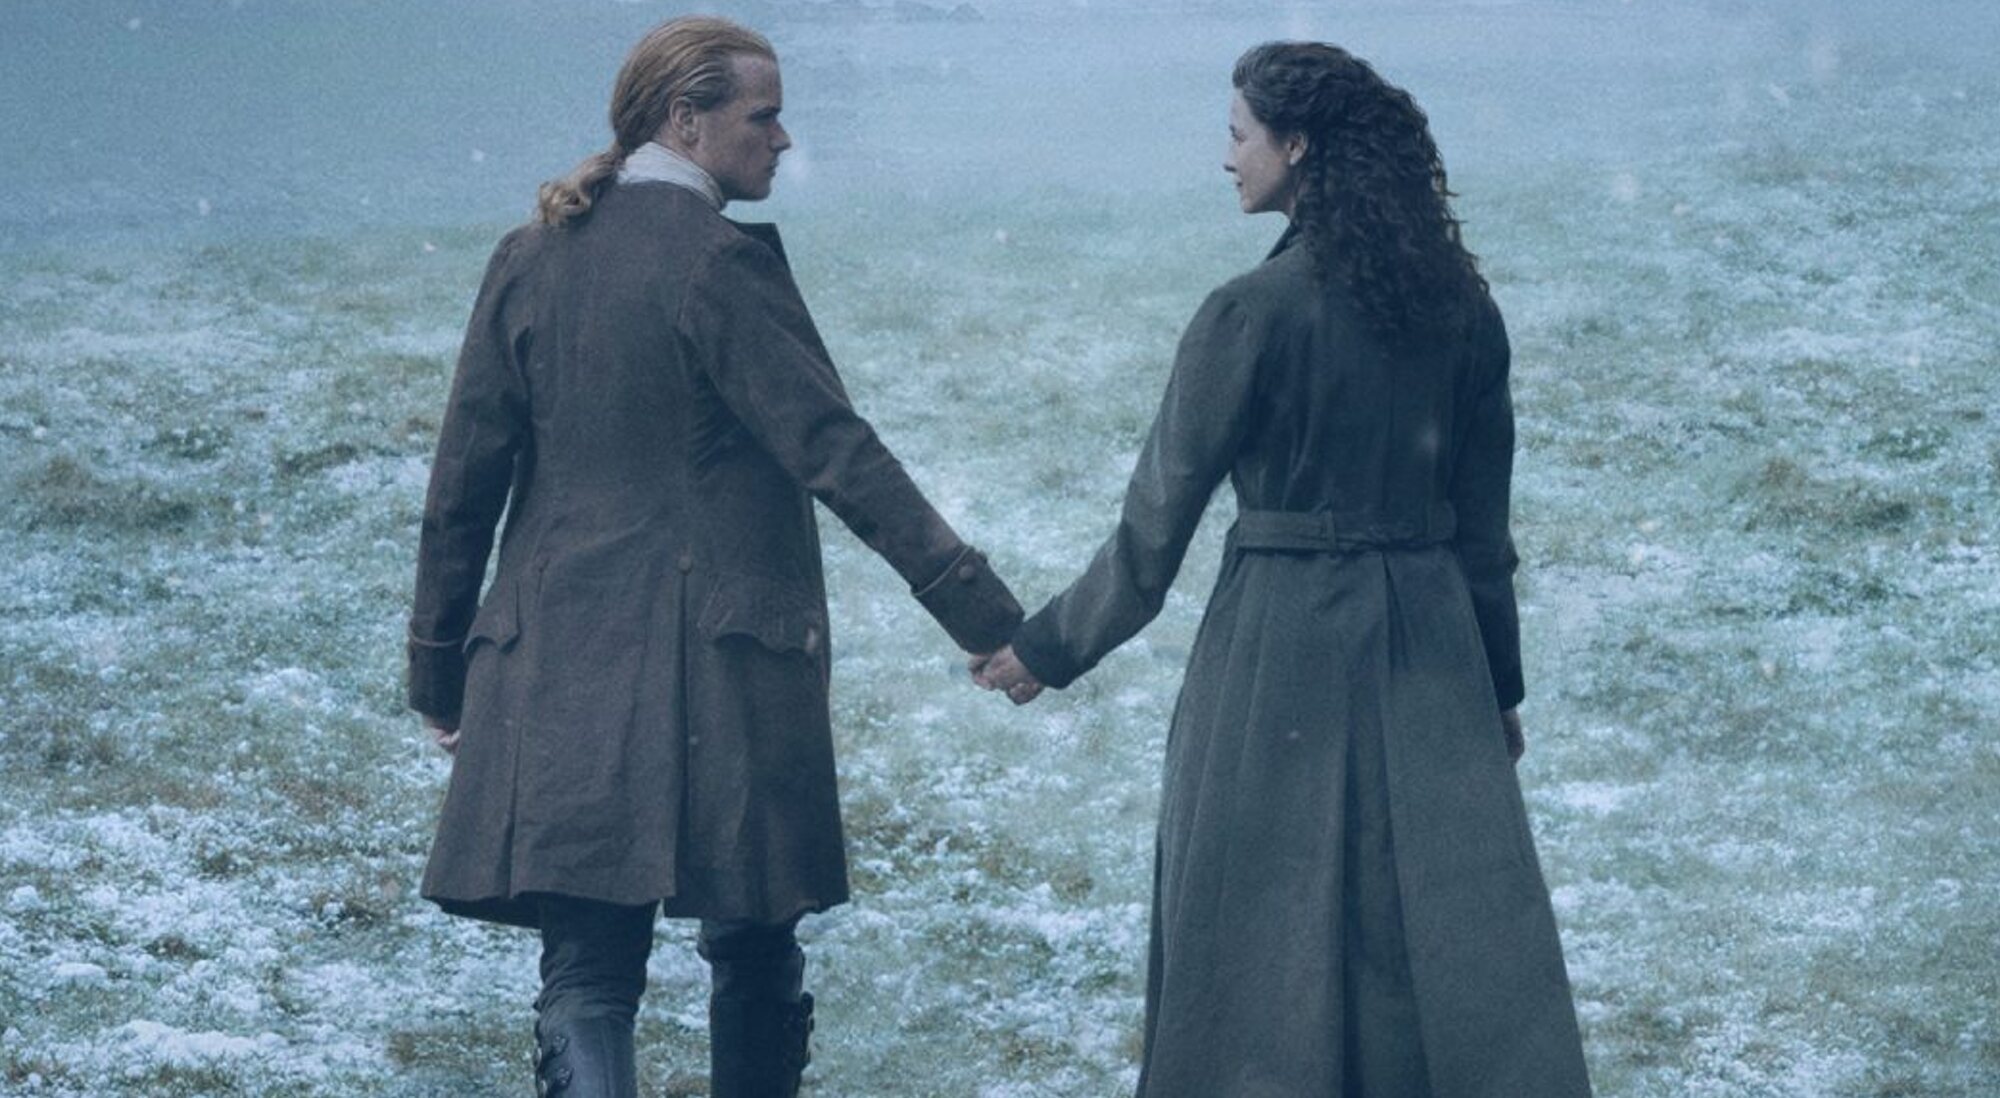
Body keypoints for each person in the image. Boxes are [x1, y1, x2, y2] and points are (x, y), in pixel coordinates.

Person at [404, 16, 1022, 1097]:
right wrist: (986, 616)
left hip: (558, 662)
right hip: (726, 665)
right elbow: (837, 451)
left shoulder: (528, 257)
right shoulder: (715, 263)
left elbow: (462, 489)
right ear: (685, 121)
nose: (782, 139)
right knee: (750, 945)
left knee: (588, 969)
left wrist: (440, 670)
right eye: (763, 116)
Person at [973, 41, 1593, 1097]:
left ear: (1296, 145)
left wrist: (1046, 648)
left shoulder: (1248, 313)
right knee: (1421, 930)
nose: (1227, 158)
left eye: (1238, 135)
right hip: (1430, 644)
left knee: (1262, 925)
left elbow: (1153, 529)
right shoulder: (1460, 310)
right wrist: (1494, 688)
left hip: (1280, 642)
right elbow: (1483, 537)